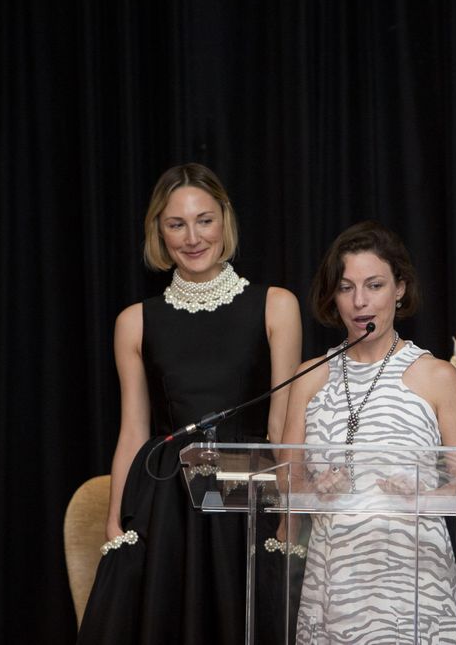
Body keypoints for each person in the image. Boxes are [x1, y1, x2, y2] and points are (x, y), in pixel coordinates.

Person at [76, 163, 302, 644]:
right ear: (158, 230)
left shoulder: (276, 304)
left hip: (249, 495)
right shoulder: (134, 321)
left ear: (225, 219)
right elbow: (133, 430)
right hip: (167, 506)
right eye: (176, 224)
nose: (193, 236)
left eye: (204, 219)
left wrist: (291, 513)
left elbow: (283, 422)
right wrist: (115, 519)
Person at [279, 220, 456, 644]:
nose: (360, 302)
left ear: (400, 288)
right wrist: (316, 490)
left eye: (374, 285)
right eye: (347, 287)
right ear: (333, 295)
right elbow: (288, 478)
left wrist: (420, 498)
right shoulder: (309, 377)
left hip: (416, 584)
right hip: (332, 586)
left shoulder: (437, 376)